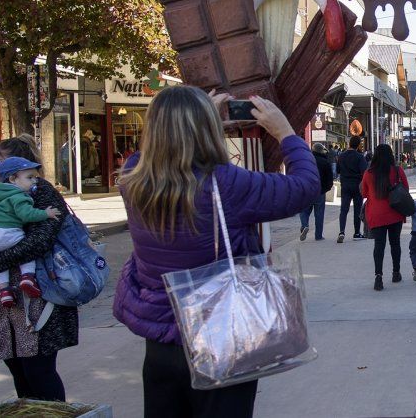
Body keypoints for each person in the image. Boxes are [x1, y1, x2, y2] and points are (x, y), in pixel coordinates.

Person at [113, 87, 318, 417]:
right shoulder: (225, 184)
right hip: (220, 339)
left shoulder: (133, 177)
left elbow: (160, 150)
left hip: (160, 345)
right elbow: (305, 187)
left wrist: (194, 120)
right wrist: (285, 133)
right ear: (205, 128)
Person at [0, 135, 77, 401]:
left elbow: (40, 241)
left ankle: (53, 413)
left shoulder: (40, 190)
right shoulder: (0, 192)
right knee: (19, 370)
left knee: (38, 371)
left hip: (38, 295)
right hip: (7, 299)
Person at [0, 157, 62, 306]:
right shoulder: (18, 195)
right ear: (13, 179)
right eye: (30, 177)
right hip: (8, 233)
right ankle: (27, 277)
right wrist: (46, 213)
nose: (35, 181)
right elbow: (27, 215)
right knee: (26, 250)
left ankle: (4, 291)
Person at [362, 144, 409, 290]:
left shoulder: (369, 173)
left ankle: (378, 277)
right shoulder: (397, 170)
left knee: (379, 245)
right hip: (395, 213)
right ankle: (396, 273)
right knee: (395, 243)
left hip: (376, 214)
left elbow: (364, 193)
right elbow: (405, 189)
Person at [336, 136, 369, 243]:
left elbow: (338, 170)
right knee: (357, 210)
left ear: (349, 143)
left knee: (343, 209)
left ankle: (341, 231)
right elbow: (364, 172)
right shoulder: (360, 157)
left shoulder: (341, 156)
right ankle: (357, 233)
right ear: (358, 145)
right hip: (357, 185)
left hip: (345, 185)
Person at [300, 141, 334, 241]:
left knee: (304, 210)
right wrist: (325, 189)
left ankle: (305, 225)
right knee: (319, 214)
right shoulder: (325, 162)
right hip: (320, 191)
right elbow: (329, 179)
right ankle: (318, 236)